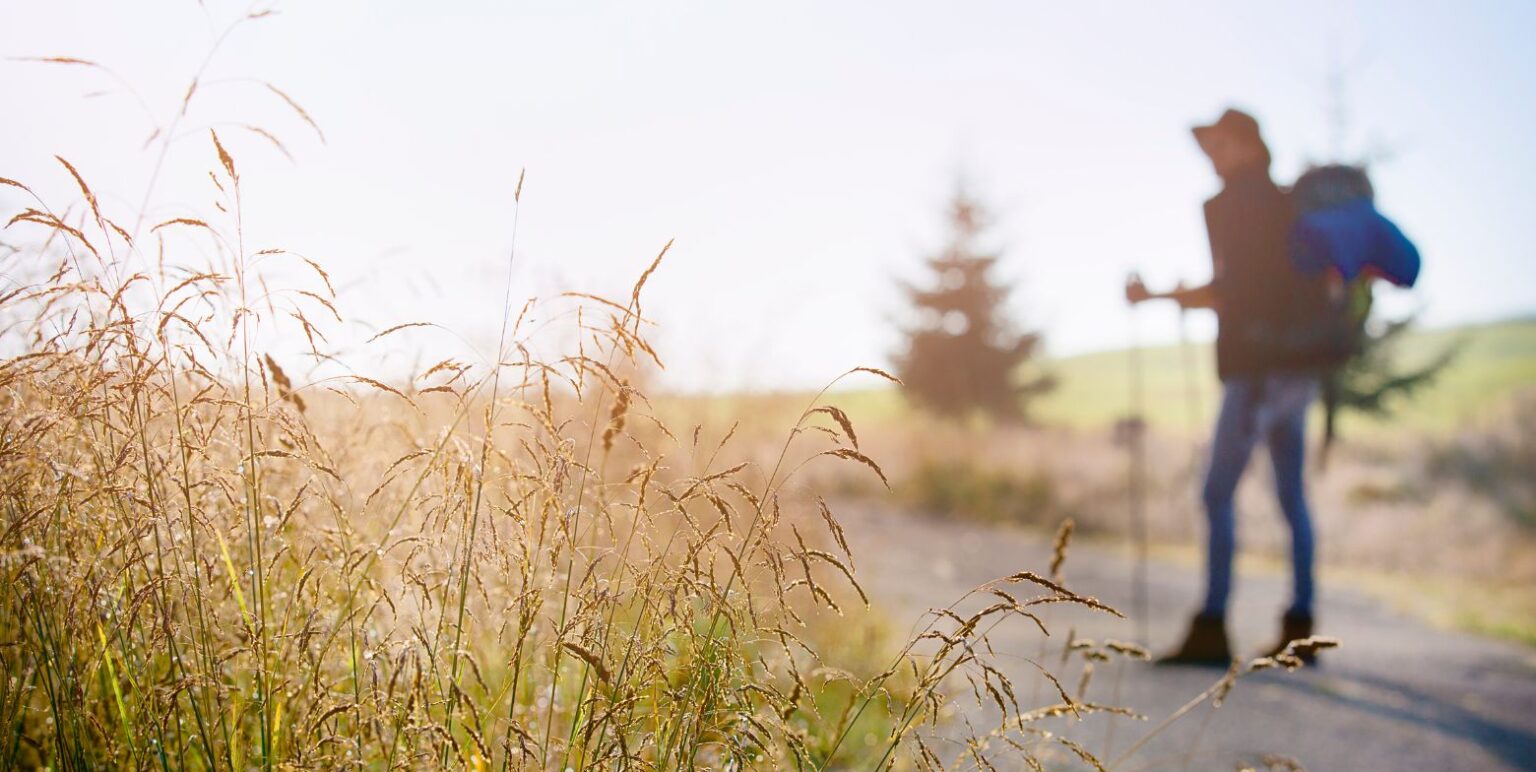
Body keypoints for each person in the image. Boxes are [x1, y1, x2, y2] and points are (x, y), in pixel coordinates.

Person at [1126, 108, 1325, 665]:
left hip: (1257, 372)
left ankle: (1212, 627)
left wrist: (1160, 298)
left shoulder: (1237, 204)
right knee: (1292, 500)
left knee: (1216, 494)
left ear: (1241, 144)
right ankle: (1302, 628)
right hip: (1298, 373)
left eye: (1216, 144)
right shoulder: (1286, 202)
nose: (1210, 155)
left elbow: (1235, 289)